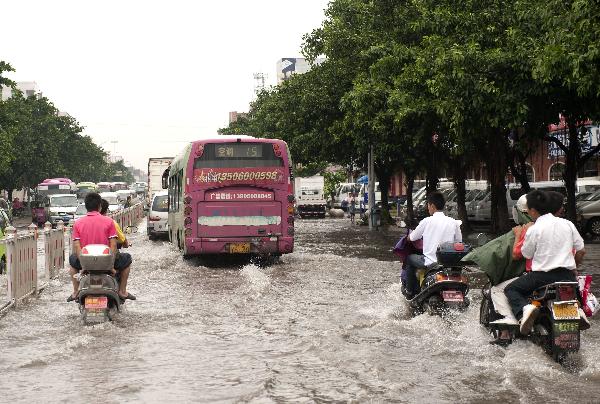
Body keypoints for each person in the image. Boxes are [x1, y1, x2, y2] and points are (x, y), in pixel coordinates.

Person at [505, 190, 586, 335]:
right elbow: (581, 251)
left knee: (511, 289)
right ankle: (578, 310)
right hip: (567, 275)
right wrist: (573, 267)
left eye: (528, 210)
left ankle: (525, 311)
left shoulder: (535, 229)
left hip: (541, 277)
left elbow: (526, 254)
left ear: (533, 211)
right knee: (573, 287)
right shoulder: (567, 224)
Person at [67, 192, 135, 302]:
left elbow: (77, 247)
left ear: (86, 206)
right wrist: (110, 266)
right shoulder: (109, 221)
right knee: (127, 258)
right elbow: (113, 245)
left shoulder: (78, 223)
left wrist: (84, 265)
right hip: (106, 262)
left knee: (72, 260)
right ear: (100, 206)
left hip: (86, 262)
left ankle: (76, 291)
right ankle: (122, 291)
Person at [404, 191, 462, 298]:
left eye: (428, 206)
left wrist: (407, 238)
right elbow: (459, 243)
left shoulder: (427, 221)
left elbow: (412, 237)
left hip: (430, 262)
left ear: (432, 206)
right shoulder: (454, 222)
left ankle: (409, 292)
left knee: (409, 259)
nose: (428, 208)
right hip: (448, 264)